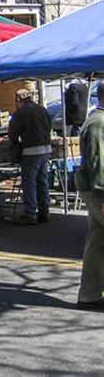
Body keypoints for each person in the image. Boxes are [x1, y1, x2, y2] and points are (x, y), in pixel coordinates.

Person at [76, 82, 104, 310]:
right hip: (98, 190)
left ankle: (90, 294)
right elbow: (98, 163)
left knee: (97, 240)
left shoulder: (97, 121)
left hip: (94, 188)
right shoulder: (98, 124)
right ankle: (89, 294)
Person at [9, 88, 52, 225]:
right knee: (42, 182)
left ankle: (30, 215)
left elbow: (13, 133)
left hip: (30, 151)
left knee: (29, 183)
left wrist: (15, 145)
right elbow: (49, 127)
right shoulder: (42, 109)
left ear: (18, 100)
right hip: (46, 149)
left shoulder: (20, 112)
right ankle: (44, 213)